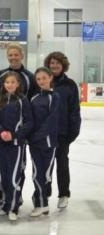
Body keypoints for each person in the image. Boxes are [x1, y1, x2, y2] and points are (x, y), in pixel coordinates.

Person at [0, 71, 33, 221]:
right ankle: (6, 204)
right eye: (7, 82)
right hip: (2, 144)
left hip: (16, 145)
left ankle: (14, 208)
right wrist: (1, 131)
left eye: (13, 82)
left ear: (18, 84)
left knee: (14, 176)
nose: (10, 85)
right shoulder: (0, 100)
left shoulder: (23, 100)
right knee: (3, 176)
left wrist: (15, 135)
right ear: (4, 84)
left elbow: (29, 122)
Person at [44, 51, 81, 209]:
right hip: (45, 134)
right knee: (46, 165)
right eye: (52, 63)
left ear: (63, 65)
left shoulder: (70, 84)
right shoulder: (43, 81)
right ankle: (44, 194)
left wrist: (73, 131)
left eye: (57, 63)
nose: (54, 65)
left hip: (62, 133)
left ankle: (64, 194)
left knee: (62, 164)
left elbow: (74, 110)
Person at [28, 67, 60, 217]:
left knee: (45, 175)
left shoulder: (55, 97)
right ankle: (42, 204)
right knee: (37, 174)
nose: (41, 81)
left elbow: (51, 121)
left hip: (48, 143)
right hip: (34, 144)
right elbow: (30, 120)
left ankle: (40, 199)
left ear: (50, 78)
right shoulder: (34, 98)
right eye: (38, 79)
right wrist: (29, 136)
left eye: (44, 78)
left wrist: (37, 136)